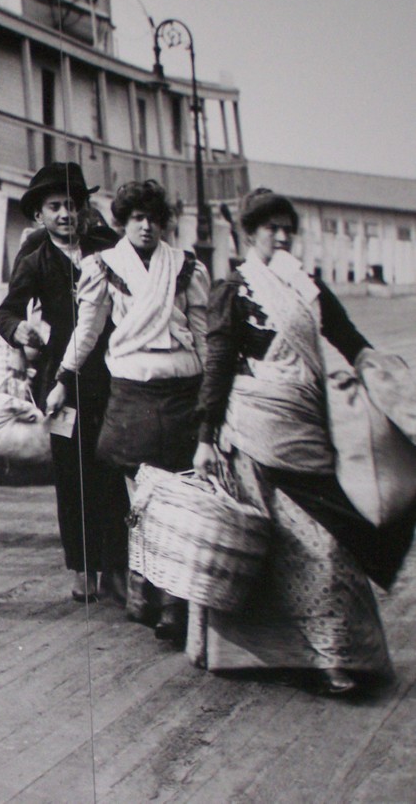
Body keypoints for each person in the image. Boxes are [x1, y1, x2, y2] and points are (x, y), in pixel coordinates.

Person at [190, 188, 398, 695]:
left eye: (288, 229)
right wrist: (205, 437)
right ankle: (270, 655)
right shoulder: (233, 290)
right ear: (248, 233)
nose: (281, 237)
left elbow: (350, 341)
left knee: (329, 545)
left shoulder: (310, 287)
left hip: (307, 428)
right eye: (270, 228)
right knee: (268, 547)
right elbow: (218, 366)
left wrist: (387, 379)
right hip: (254, 430)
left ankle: (335, 655)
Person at [47, 179, 209, 644]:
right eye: (137, 218)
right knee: (140, 499)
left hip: (181, 391)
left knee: (180, 497)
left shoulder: (186, 267)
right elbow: (87, 330)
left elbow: (202, 333)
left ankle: (174, 601)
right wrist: (62, 378)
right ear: (123, 222)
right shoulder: (103, 266)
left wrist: (214, 394)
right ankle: (143, 589)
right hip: (132, 392)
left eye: (154, 219)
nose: (146, 227)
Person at [0, 163, 129, 603]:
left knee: (112, 471)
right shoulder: (35, 260)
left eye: (72, 204)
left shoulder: (108, 249)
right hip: (61, 382)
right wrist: (18, 330)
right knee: (72, 475)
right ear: (39, 214)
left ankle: (118, 566)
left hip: (111, 373)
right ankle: (83, 567)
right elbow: (7, 310)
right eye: (55, 207)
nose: (65, 214)